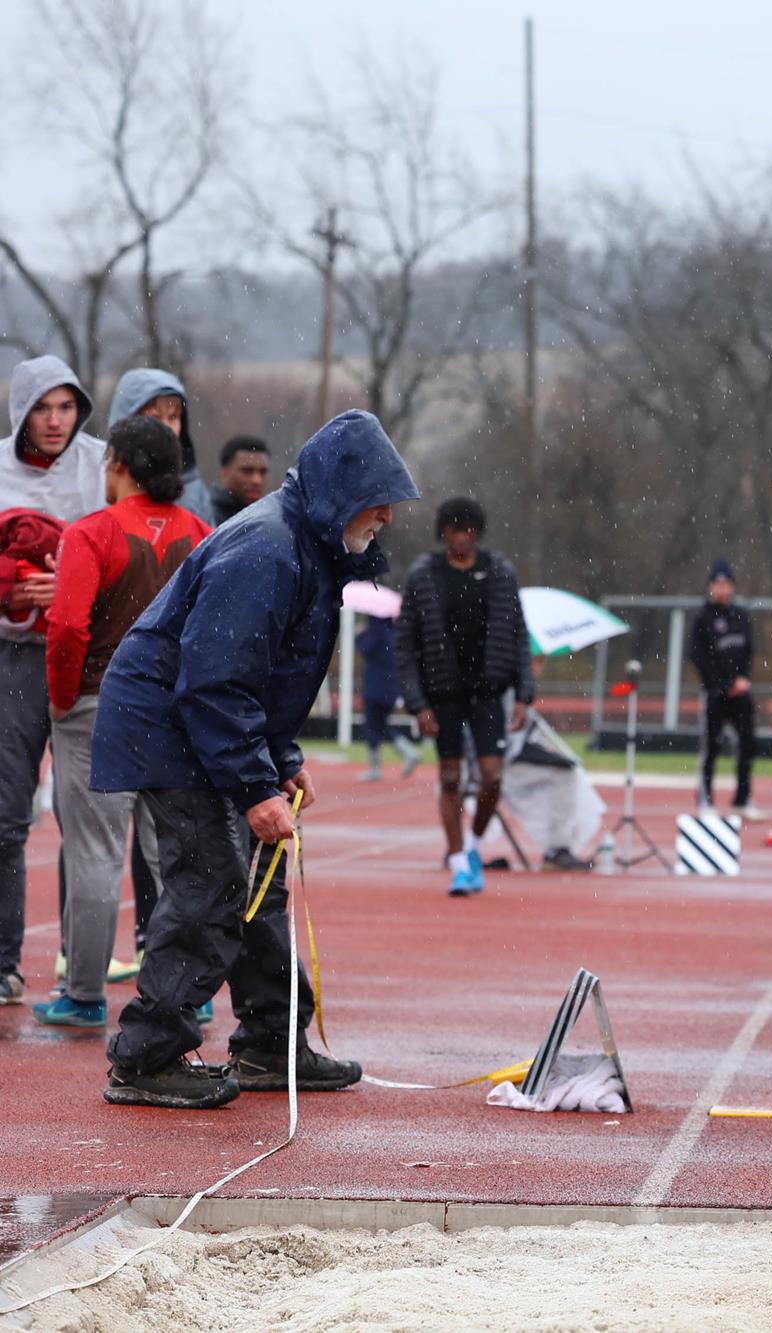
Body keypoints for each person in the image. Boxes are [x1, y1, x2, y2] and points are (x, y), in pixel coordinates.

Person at [91, 409, 418, 1109]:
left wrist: (278, 759)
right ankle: (146, 1057)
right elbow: (214, 681)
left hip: (200, 722)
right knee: (210, 883)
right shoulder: (267, 548)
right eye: (378, 498)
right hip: (168, 726)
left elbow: (271, 672)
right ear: (340, 490)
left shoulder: (309, 545)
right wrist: (253, 783)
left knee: (262, 881)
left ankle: (272, 1039)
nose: (388, 514)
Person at [35, 416, 210, 1028]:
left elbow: (66, 627)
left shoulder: (92, 533)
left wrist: (61, 699)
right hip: (177, 712)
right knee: (175, 855)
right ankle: (190, 988)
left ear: (119, 464)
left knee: (96, 854)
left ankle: (84, 995)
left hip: (97, 705)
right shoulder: (203, 534)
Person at [0, 356, 106, 1006]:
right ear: (22, 410)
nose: (54, 421)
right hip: (12, 659)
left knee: (83, 818)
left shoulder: (100, 463)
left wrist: (68, 583)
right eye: (43, 407)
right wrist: (11, 585)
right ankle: (4, 961)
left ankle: (80, 965)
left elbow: (120, 552)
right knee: (8, 818)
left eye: (66, 407)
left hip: (85, 658)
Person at [396, 497, 533, 897]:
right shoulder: (425, 575)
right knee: (451, 776)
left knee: (492, 775)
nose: (462, 538)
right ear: (444, 532)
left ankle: (473, 843)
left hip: (488, 689)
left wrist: (525, 693)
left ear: (477, 532)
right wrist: (417, 702)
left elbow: (519, 635)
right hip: (443, 692)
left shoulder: (498, 572)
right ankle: (458, 861)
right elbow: (405, 645)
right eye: (455, 530)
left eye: (469, 530)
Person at [689, 559, 761, 820]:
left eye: (726, 583)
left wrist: (741, 680)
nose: (722, 588)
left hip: (741, 694)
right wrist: (722, 684)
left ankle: (742, 799)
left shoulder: (741, 615)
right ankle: (705, 799)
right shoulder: (703, 618)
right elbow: (698, 657)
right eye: (717, 583)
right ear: (711, 587)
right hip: (715, 695)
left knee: (748, 745)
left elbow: (748, 651)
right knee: (711, 748)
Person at [107, 368, 215, 525]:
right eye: (154, 418)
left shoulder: (193, 490)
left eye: (173, 417)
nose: (166, 428)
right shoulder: (96, 476)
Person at [356, 612, 419, 782]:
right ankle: (407, 751)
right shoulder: (393, 631)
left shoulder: (377, 629)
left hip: (376, 687)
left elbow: (366, 647)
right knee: (380, 725)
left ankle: (377, 767)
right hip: (389, 688)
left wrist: (360, 634)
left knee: (374, 725)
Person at [211, 435, 271, 524]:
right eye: (247, 471)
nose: (257, 480)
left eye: (263, 472)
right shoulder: (207, 517)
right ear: (224, 473)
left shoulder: (271, 519)